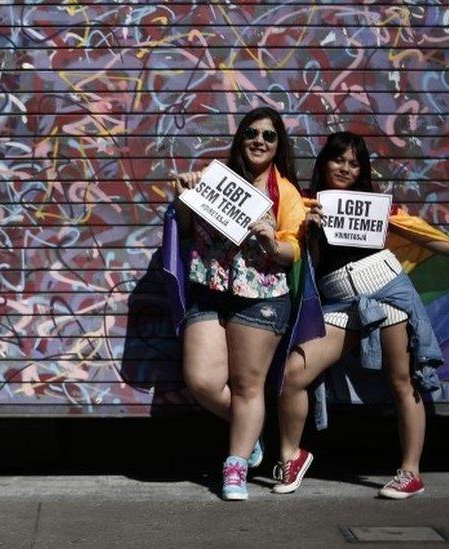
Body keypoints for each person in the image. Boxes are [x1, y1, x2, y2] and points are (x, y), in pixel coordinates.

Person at [272, 131, 449, 499]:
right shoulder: (305, 206)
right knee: (293, 373)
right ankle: (292, 455)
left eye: (354, 162)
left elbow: (420, 233)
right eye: (338, 159)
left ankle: (410, 472)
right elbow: (302, 263)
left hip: (386, 290)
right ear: (323, 162)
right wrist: (309, 233)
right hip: (339, 302)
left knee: (403, 382)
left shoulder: (376, 208)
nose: (345, 168)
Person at [171, 107, 306, 501]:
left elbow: (292, 251)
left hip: (262, 296)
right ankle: (249, 431)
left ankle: (235, 466)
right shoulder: (214, 179)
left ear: (279, 145)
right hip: (211, 289)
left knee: (249, 386)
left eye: (269, 135)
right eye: (251, 133)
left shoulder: (286, 193)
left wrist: (270, 241)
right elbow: (183, 228)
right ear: (240, 138)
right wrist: (183, 197)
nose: (259, 141)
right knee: (202, 381)